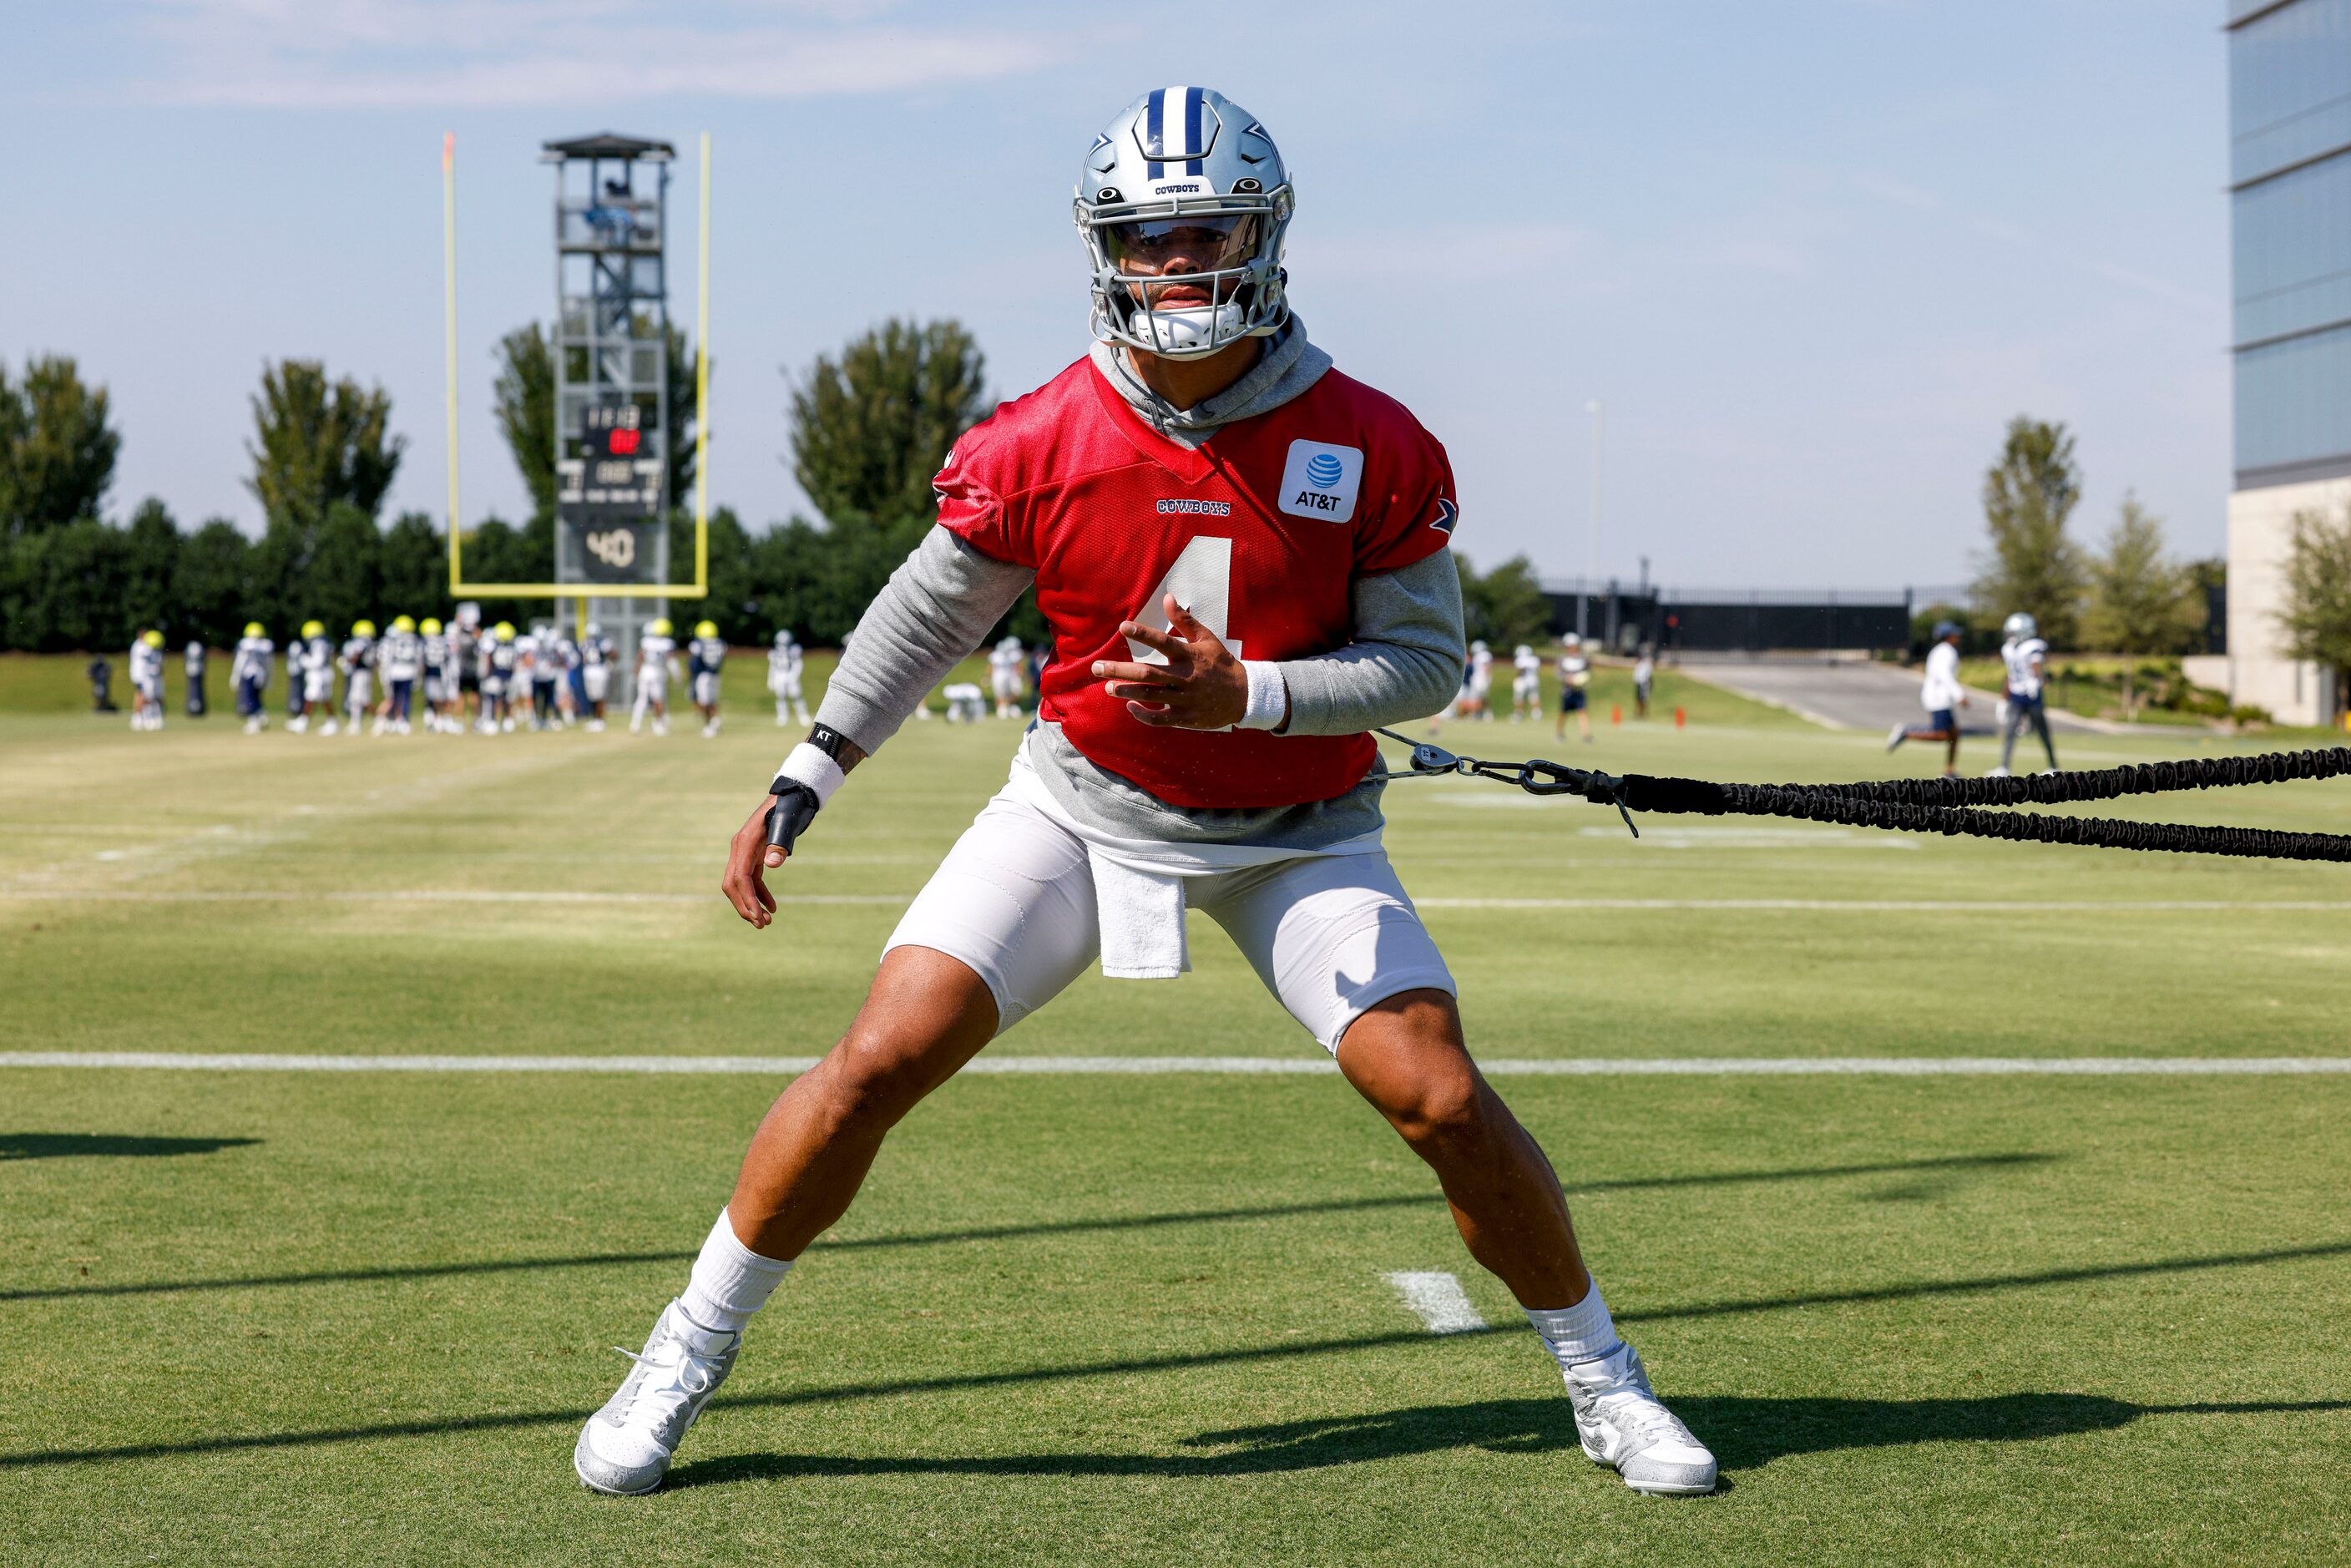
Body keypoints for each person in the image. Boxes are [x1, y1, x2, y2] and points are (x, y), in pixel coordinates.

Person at [574, 88, 1714, 1502]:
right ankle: (683, 1349)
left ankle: (1606, 1380)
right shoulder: (1041, 434)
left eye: (1205, 230)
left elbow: (1426, 662)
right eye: (1146, 235)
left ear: (1265, 232)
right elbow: (926, 617)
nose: (1176, 261)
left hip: (1298, 834)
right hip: (1082, 809)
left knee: (1439, 1096)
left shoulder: (1366, 436)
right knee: (876, 1058)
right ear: (1104, 247)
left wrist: (1257, 695)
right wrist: (809, 766)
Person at [1888, 620, 1969, 776]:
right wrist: (1960, 695)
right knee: (1942, 735)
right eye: (1955, 633)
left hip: (1938, 696)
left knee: (1954, 733)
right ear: (1949, 636)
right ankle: (1906, 733)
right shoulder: (1947, 652)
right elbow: (1945, 676)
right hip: (1939, 698)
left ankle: (1949, 771)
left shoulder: (1940, 650)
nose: (1958, 636)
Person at [1993, 612, 2057, 777]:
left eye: (2012, 632)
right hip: (2016, 694)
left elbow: (2036, 667)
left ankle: (2053, 766)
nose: (2009, 636)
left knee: (2042, 731)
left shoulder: (2034, 646)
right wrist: (2003, 699)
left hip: (2032, 694)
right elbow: (2010, 675)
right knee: (2010, 731)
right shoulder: (2008, 649)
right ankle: (2004, 767)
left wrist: (2037, 682)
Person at [377, 616, 422, 734]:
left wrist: (384, 672)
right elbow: (419, 658)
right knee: (405, 698)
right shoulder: (415, 640)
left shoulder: (391, 639)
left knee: (393, 697)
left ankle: (393, 720)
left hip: (394, 671)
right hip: (409, 671)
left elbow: (384, 656)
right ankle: (402, 720)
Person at [633, 617, 677, 736]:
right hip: (658, 672)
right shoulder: (667, 643)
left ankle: (635, 724)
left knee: (642, 698)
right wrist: (677, 677)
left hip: (645, 670)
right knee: (658, 699)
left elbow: (640, 657)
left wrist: (636, 671)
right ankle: (658, 724)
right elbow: (671, 661)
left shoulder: (646, 641)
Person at [336, 620, 377, 738]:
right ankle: (357, 723)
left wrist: (347, 661)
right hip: (366, 672)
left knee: (357, 699)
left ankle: (361, 723)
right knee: (361, 699)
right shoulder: (371, 642)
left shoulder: (362, 641)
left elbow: (357, 654)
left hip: (360, 673)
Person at [232, 622, 274, 733]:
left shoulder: (245, 644)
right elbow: (269, 664)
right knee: (256, 698)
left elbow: (240, 662)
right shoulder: (266, 645)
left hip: (248, 674)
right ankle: (262, 716)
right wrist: (269, 679)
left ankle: (254, 722)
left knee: (249, 699)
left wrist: (235, 677)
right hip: (261, 675)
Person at [689, 620, 728, 737]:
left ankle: (709, 726)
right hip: (715, 675)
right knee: (712, 700)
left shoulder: (698, 644)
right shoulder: (721, 643)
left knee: (704, 701)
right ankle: (715, 720)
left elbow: (694, 662)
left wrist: (692, 673)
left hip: (703, 675)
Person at [767, 630, 810, 727]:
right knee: (781, 696)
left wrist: (795, 675)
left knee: (796, 695)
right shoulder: (774, 652)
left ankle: (803, 716)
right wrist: (771, 680)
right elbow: (772, 667)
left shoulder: (794, 650)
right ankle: (782, 717)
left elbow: (799, 664)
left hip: (790, 673)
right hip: (779, 675)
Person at [1555, 633, 1592, 743]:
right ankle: (1559, 734)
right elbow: (1558, 673)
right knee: (1563, 713)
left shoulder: (1583, 659)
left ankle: (1586, 735)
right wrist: (1567, 679)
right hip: (1566, 691)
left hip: (1579, 691)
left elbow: (1588, 672)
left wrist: (1582, 679)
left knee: (1582, 712)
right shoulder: (1562, 659)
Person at [420, 618, 454, 733]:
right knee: (439, 698)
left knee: (432, 698)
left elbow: (421, 660)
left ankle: (436, 719)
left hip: (431, 672)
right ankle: (438, 719)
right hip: (443, 672)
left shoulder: (424, 642)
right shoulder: (444, 641)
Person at [581, 621, 616, 731]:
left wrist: (609, 662)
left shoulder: (588, 643)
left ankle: (600, 720)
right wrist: (610, 663)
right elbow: (614, 654)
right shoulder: (596, 642)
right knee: (594, 697)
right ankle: (596, 720)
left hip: (594, 670)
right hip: (595, 670)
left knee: (598, 697)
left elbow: (614, 654)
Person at [129, 630, 166, 731]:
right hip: (141, 675)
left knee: (154, 697)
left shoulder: (152, 649)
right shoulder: (140, 646)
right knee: (143, 696)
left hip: (150, 676)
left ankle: (153, 717)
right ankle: (139, 718)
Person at [989, 635, 1028, 718]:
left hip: (1009, 677)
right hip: (998, 677)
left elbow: (1017, 665)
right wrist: (986, 677)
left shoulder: (1013, 655)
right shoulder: (995, 655)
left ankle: (1009, 707)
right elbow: (991, 667)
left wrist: (1021, 674)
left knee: (1013, 692)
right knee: (999, 694)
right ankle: (1001, 709)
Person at [1510, 642, 1541, 721]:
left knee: (1519, 698)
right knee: (1534, 697)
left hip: (1523, 681)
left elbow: (1520, 671)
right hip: (1533, 680)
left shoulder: (1520, 660)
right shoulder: (1534, 659)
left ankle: (1519, 714)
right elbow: (1537, 670)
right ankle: (1537, 715)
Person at [1465, 637, 1494, 720]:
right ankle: (1484, 714)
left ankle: (1477, 714)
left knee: (1477, 697)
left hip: (1480, 679)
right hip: (1480, 679)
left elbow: (1486, 666)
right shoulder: (1483, 655)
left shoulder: (1483, 655)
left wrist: (1486, 678)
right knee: (1481, 697)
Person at [184, 640, 209, 718]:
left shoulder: (190, 646)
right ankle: (195, 708)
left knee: (195, 690)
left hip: (192, 671)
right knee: (194, 690)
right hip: (195, 671)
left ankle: (195, 708)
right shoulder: (198, 647)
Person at [1632, 645, 1655, 720]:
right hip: (1638, 683)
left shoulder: (1647, 664)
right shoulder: (1639, 663)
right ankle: (1638, 713)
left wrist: (1651, 684)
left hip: (1644, 683)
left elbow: (1649, 675)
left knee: (1644, 699)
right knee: (1638, 699)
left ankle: (1643, 713)